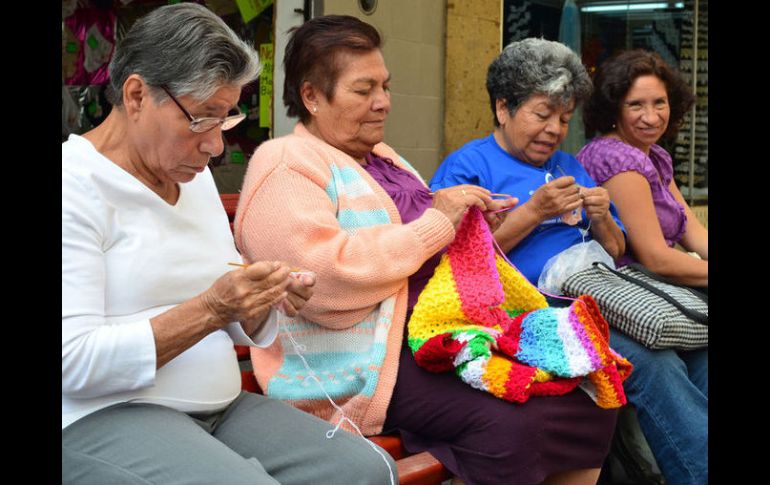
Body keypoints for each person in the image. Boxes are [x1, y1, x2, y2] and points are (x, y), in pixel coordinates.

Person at [236, 16, 613, 485]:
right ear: (312, 96)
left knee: (588, 391)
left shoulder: (385, 158)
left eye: (386, 87)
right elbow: (323, 282)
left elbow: (428, 246)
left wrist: (472, 230)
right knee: (515, 417)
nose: (383, 103)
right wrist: (439, 224)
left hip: (440, 334)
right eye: (363, 90)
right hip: (373, 358)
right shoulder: (285, 163)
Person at [61, 4, 394, 484]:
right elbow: (73, 362)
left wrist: (259, 300)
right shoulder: (76, 185)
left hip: (220, 406)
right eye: (202, 120)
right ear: (136, 95)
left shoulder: (191, 180)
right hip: (105, 415)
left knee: (366, 471)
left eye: (227, 118)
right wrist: (212, 309)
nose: (216, 145)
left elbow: (226, 302)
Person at [429, 38, 626, 485]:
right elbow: (457, 268)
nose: (554, 130)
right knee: (641, 362)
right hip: (515, 320)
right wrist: (534, 212)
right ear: (503, 107)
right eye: (542, 115)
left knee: (680, 351)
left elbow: (615, 250)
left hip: (593, 303)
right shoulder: (467, 168)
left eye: (564, 118)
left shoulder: (571, 165)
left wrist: (600, 216)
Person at [576, 49, 707, 485]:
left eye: (659, 103)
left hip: (665, 292)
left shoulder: (654, 156)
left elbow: (692, 231)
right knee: (665, 364)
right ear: (613, 108)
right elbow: (654, 256)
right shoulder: (615, 157)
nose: (651, 116)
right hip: (631, 297)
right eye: (636, 105)